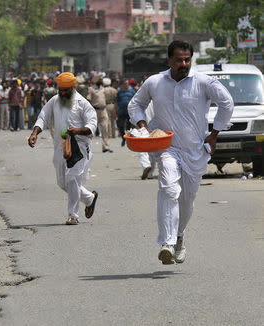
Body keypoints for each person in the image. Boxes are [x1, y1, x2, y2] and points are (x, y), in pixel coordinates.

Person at [127, 40, 234, 264]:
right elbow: (135, 105)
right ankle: (166, 242)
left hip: (195, 151)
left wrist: (214, 133)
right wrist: (142, 125)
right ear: (169, 60)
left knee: (186, 201)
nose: (183, 64)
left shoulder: (204, 82)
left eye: (187, 59)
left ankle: (179, 236)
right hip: (166, 147)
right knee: (168, 188)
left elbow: (226, 102)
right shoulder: (155, 82)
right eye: (179, 60)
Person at [28, 72, 98, 225]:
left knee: (72, 178)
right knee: (62, 182)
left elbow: (92, 124)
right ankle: (89, 198)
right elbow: (43, 117)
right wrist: (35, 133)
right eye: (60, 89)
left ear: (73, 88)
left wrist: (78, 130)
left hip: (79, 147)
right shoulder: (54, 101)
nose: (62, 93)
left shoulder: (83, 103)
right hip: (60, 147)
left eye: (65, 90)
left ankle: (73, 215)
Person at [87, 76, 112, 153]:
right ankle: (87, 147)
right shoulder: (91, 89)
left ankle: (106, 147)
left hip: (103, 110)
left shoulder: (103, 88)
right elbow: (88, 100)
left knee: (105, 129)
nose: (101, 80)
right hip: (94, 110)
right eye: (99, 79)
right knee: (91, 130)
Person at [115, 78, 136, 146]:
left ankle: (127, 139)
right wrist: (115, 111)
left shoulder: (132, 91)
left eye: (127, 83)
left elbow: (135, 101)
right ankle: (123, 137)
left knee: (128, 127)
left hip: (129, 112)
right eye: (124, 84)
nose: (126, 85)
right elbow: (116, 102)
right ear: (122, 85)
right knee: (120, 126)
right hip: (121, 111)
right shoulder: (119, 92)